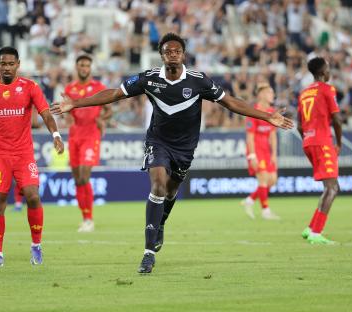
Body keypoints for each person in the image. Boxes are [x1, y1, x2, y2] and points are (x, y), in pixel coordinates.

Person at [51, 33, 293, 274]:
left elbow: (230, 102)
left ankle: (160, 223)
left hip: (185, 148)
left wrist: (267, 115)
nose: (173, 55)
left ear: (183, 54)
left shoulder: (199, 81)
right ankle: (148, 253)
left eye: (177, 51)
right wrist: (76, 103)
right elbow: (114, 93)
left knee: (171, 191)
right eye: (168, 52)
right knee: (158, 185)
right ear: (162, 55)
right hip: (158, 142)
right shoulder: (149, 78)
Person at [0, 46, 64, 267]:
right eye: (3, 63)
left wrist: (56, 135)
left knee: (33, 195)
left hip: (24, 153)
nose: (6, 67)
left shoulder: (30, 87)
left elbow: (45, 112)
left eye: (10, 63)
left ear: (18, 64)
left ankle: (36, 246)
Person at [297, 57, 342, 245]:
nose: (330, 71)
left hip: (308, 141)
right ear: (323, 72)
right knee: (332, 188)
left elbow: (299, 126)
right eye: (329, 68)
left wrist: (309, 139)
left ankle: (311, 228)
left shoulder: (304, 93)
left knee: (329, 187)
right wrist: (338, 142)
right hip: (323, 141)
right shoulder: (327, 89)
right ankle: (317, 232)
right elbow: (337, 119)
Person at [64, 53, 111, 232]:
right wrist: (66, 115)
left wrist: (102, 118)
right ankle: (85, 217)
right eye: (81, 65)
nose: (84, 68)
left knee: (84, 175)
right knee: (77, 180)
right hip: (75, 136)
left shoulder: (99, 87)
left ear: (90, 68)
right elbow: (68, 111)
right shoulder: (70, 89)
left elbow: (109, 110)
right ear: (77, 68)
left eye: (87, 65)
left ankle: (89, 219)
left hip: (91, 135)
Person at [241, 83, 280, 220]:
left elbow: (273, 135)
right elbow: (250, 137)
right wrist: (252, 156)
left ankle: (250, 200)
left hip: (267, 150)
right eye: (270, 92)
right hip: (256, 149)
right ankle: (265, 211)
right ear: (262, 94)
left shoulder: (272, 112)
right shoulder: (253, 112)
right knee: (263, 178)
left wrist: (274, 154)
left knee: (272, 180)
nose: (273, 95)